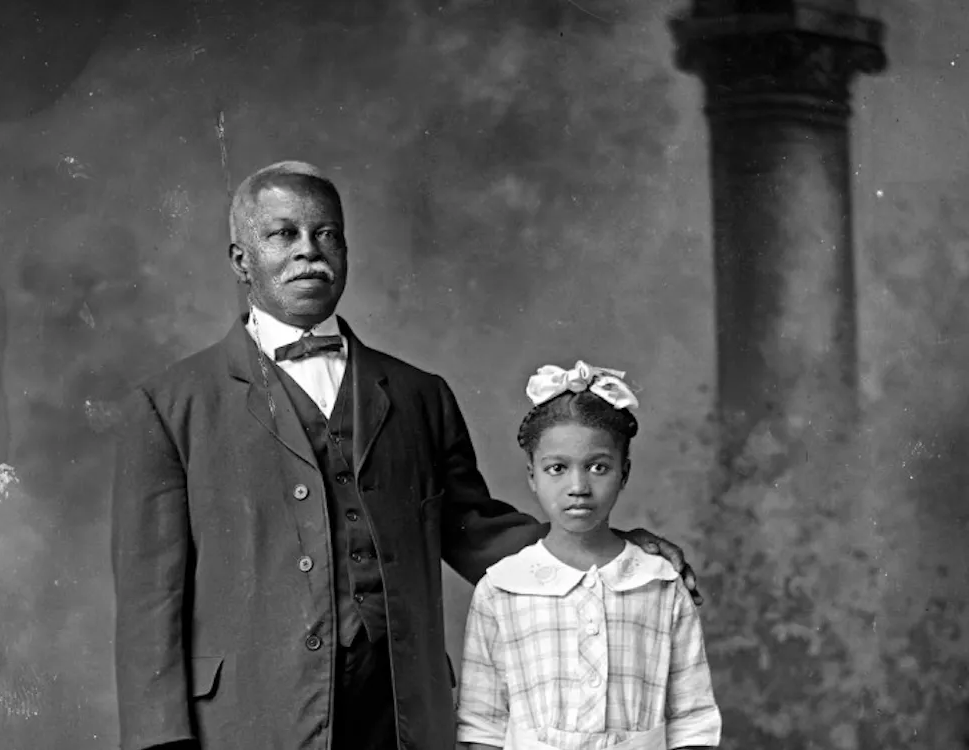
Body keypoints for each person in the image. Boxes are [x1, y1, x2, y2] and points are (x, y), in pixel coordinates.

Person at [111, 161, 701, 750]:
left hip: (398, 711)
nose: (309, 252)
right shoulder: (171, 405)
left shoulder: (420, 395)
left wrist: (602, 549)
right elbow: (150, 599)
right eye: (283, 234)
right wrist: (161, 742)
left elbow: (475, 530)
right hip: (248, 717)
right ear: (242, 260)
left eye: (327, 235)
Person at [457, 361, 721, 750]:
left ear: (624, 472)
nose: (578, 486)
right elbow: (483, 724)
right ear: (532, 475)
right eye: (557, 468)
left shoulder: (660, 583)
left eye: (598, 467)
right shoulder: (500, 589)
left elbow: (692, 720)